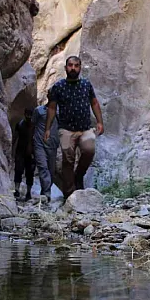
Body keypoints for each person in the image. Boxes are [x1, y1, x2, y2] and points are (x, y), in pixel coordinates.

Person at [44, 56, 104, 198]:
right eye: (70, 65)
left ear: (80, 68)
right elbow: (52, 108)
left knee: (89, 150)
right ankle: (69, 194)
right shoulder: (58, 87)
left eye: (76, 65)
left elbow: (94, 103)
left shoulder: (86, 85)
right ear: (65, 68)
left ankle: (79, 175)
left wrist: (100, 122)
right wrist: (47, 128)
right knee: (68, 160)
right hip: (66, 129)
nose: (73, 68)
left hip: (85, 128)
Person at [32, 90, 59, 202]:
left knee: (51, 172)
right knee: (43, 168)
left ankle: (45, 192)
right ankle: (47, 194)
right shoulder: (39, 111)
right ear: (48, 96)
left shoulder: (60, 113)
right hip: (39, 144)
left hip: (53, 146)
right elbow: (32, 126)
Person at [13, 107, 35, 200]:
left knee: (29, 173)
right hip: (21, 151)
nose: (28, 117)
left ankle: (28, 192)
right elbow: (15, 137)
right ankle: (17, 190)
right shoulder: (20, 125)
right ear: (25, 114)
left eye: (30, 115)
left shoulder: (34, 126)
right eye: (27, 114)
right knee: (18, 170)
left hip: (30, 153)